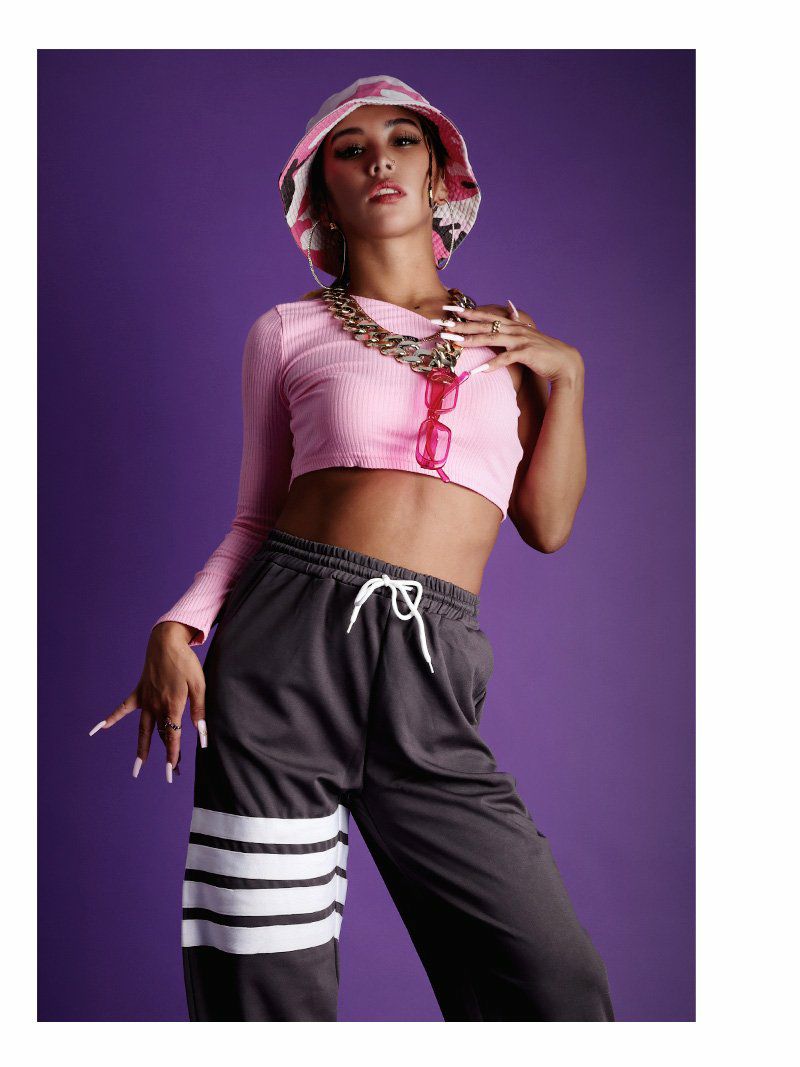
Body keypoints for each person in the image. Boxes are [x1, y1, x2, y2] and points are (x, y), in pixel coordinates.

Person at [90, 74, 615, 1022]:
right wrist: (179, 626)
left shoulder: (510, 346)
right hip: (284, 653)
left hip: (431, 667)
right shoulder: (287, 332)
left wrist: (567, 378)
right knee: (264, 982)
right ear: (321, 193)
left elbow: (547, 525)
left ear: (438, 174)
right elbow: (256, 517)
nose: (380, 159)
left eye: (403, 140)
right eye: (350, 148)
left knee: (551, 983)